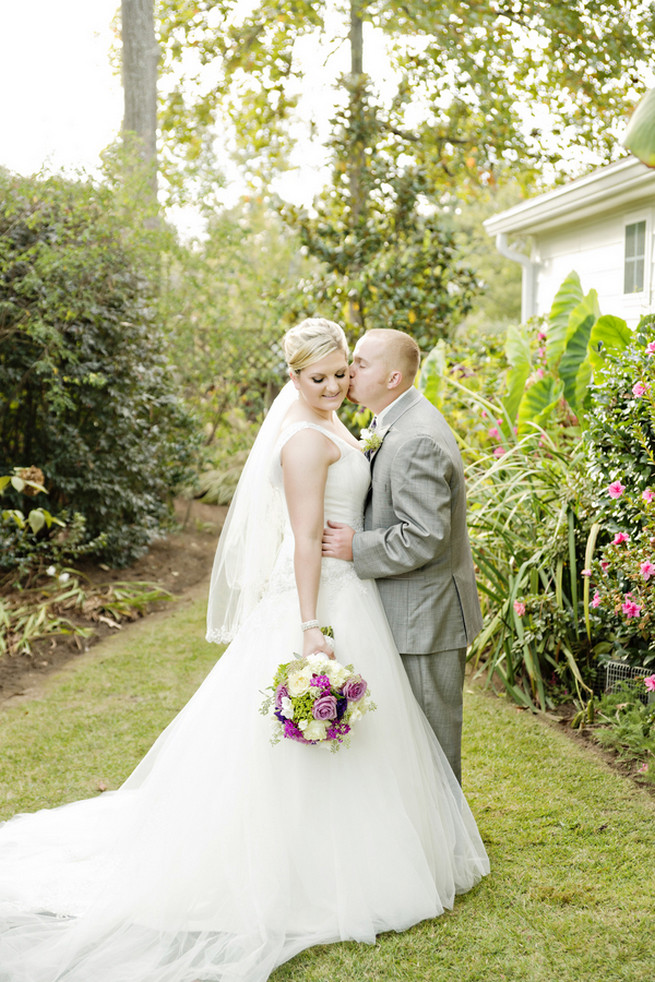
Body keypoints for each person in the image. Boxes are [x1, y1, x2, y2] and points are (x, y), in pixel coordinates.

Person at [0, 318, 488, 982]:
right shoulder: (303, 442)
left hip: (362, 592)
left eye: (344, 371)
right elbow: (308, 534)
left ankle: (400, 843)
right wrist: (311, 624)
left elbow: (386, 521)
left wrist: (350, 560)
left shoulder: (365, 428)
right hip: (323, 599)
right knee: (302, 746)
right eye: (321, 376)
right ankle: (311, 863)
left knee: (381, 736)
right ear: (294, 378)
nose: (338, 383)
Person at [322, 328, 483, 784]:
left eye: (360, 363)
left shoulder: (416, 438)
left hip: (427, 617)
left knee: (431, 738)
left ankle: (447, 848)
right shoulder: (389, 421)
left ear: (393, 378)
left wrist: (356, 546)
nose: (348, 372)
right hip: (408, 608)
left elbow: (424, 535)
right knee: (405, 736)